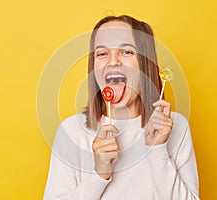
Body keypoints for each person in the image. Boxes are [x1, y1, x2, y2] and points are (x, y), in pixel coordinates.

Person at [44, 15, 199, 200]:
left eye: (126, 52)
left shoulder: (175, 126)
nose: (113, 61)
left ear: (145, 63)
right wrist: (99, 175)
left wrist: (158, 151)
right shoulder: (72, 131)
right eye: (102, 53)